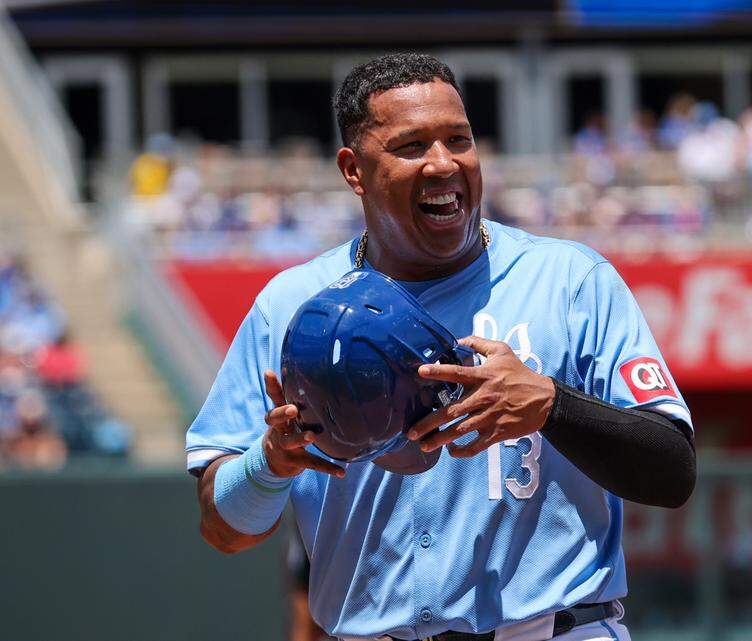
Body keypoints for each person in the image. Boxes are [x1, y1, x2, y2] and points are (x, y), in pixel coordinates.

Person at [187, 53, 696, 641]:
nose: (443, 163)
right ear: (353, 170)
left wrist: (552, 404)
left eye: (459, 139)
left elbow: (673, 471)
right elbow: (224, 529)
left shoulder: (569, 280)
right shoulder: (290, 307)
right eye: (411, 146)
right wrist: (270, 464)